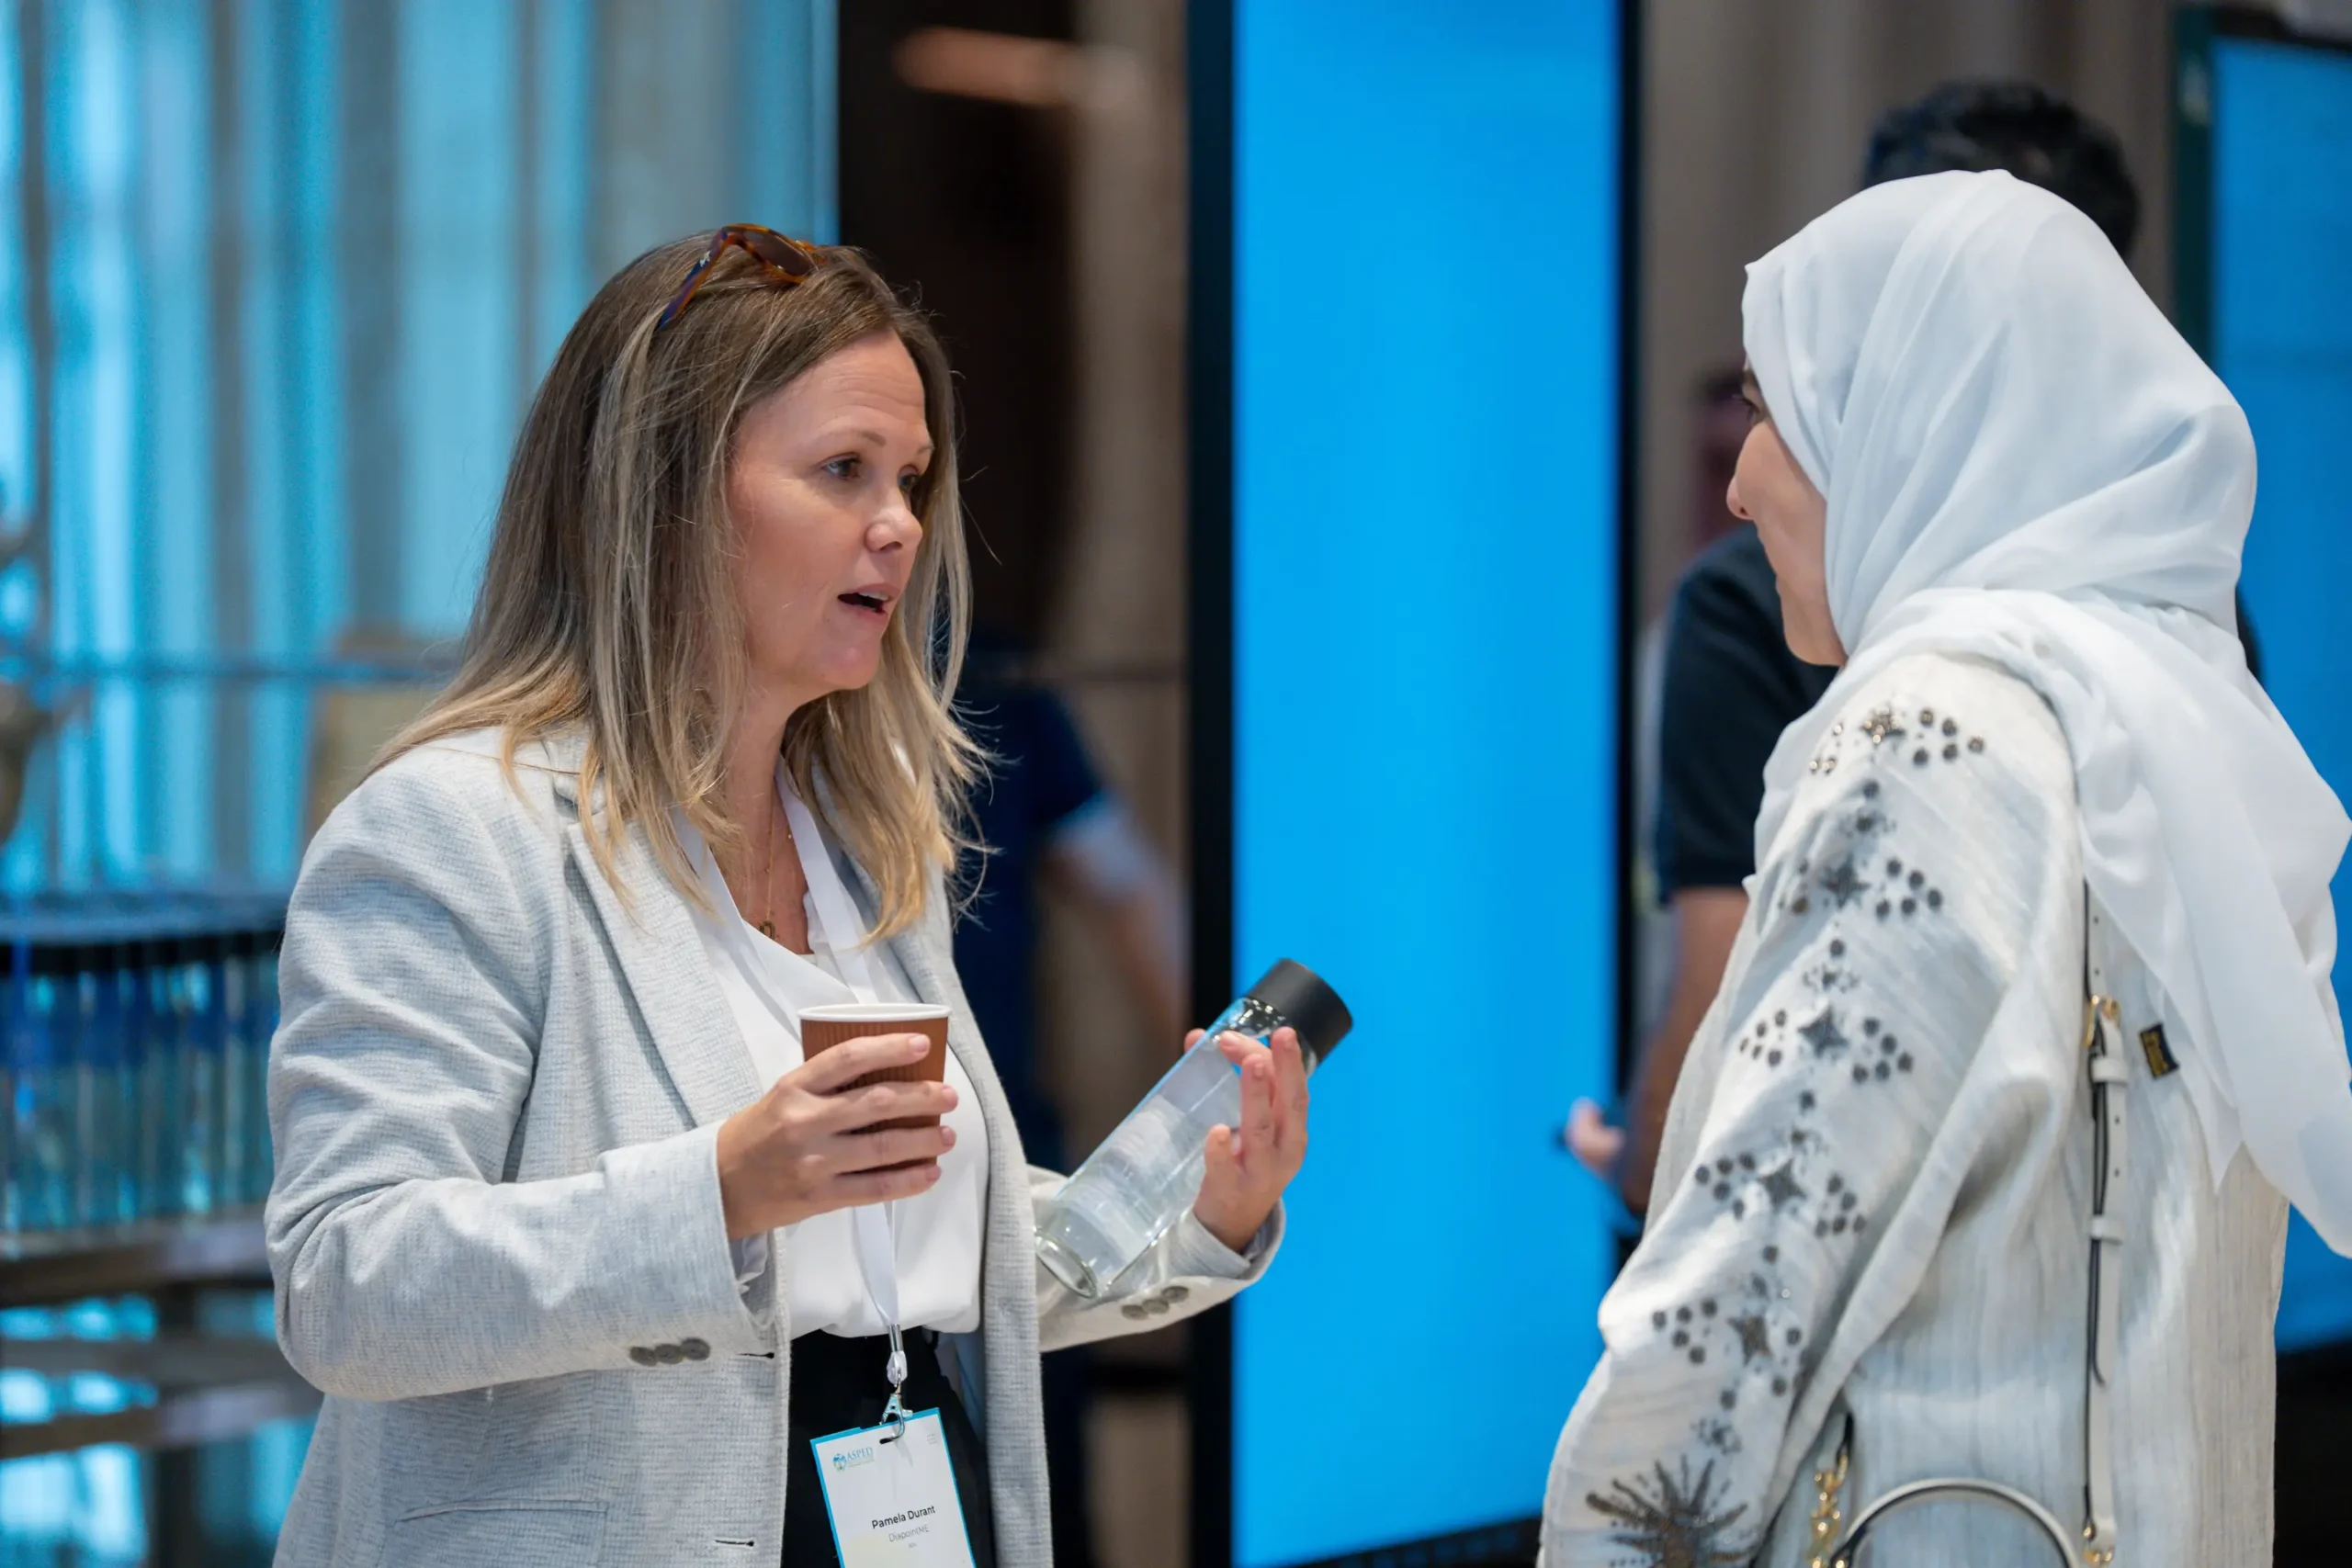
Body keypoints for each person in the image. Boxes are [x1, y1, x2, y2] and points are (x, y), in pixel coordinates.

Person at [264, 227, 1311, 1567]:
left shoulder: (867, 847)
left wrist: (1200, 1213)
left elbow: (922, 1258)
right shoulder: (452, 829)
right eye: (842, 470)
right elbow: (346, 1283)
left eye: (910, 478)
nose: (901, 524)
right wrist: (720, 1190)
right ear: (665, 494)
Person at [1541, 171, 2351, 1564]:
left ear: (1913, 417)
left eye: (1781, 413)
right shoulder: (2177, 733)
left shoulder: (1928, 746)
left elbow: (1739, 1298)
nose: (1738, 483)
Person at [1566, 79, 2260, 1214]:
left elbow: (1756, 1106)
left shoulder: (1912, 713)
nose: (1741, 489)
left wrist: (1652, 1171)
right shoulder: (2183, 612)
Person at [953, 631, 1190, 1568]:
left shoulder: (993, 690)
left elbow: (1128, 889)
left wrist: (1212, 1095)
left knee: (1035, 1509)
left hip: (1006, 1180)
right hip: (837, 1197)